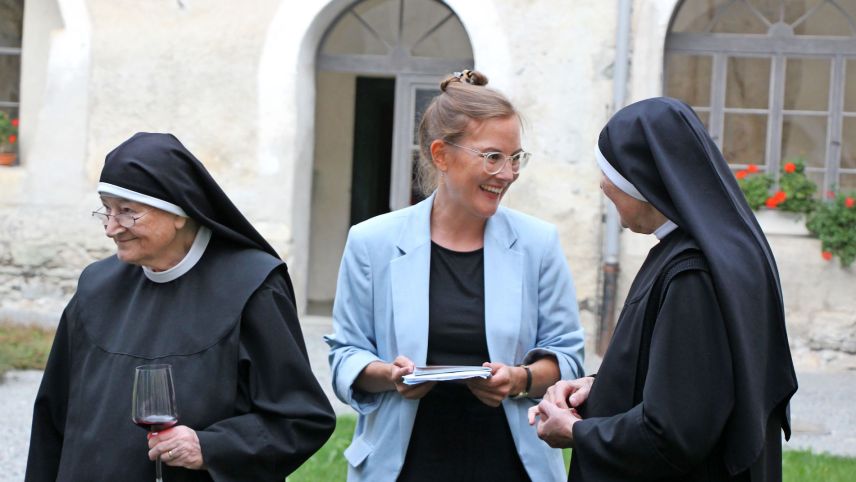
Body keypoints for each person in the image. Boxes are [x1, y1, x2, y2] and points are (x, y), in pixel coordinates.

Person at [25, 133, 336, 481]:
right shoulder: (96, 286)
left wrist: (211, 447)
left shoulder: (252, 286)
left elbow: (300, 418)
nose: (111, 228)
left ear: (180, 213)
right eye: (106, 209)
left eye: (127, 212)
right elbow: (52, 415)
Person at [325, 69, 585, 481]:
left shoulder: (538, 243)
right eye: (492, 156)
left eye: (515, 157)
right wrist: (391, 377)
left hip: (511, 466)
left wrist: (519, 379)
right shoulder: (371, 241)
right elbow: (345, 356)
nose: (508, 173)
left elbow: (568, 357)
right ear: (441, 155)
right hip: (403, 467)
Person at [530, 97, 798, 481]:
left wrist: (574, 431)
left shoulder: (694, 273)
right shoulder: (715, 252)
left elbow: (673, 431)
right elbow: (694, 381)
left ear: (641, 178)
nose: (602, 185)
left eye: (608, 175)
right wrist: (598, 388)